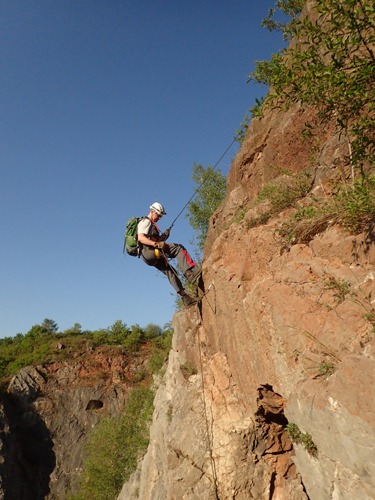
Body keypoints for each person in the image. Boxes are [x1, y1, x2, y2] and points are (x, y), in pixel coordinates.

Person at [137, 202, 201, 307]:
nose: (159, 218)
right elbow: (141, 238)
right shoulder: (145, 221)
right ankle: (190, 274)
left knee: (170, 272)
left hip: (148, 257)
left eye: (160, 216)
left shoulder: (151, 225)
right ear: (152, 211)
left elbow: (154, 240)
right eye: (158, 215)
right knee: (178, 248)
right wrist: (156, 244)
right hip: (150, 251)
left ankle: (185, 298)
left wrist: (163, 237)